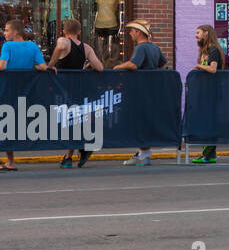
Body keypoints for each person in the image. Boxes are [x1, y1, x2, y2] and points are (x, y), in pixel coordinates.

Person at [50, 20, 104, 168]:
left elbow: (60, 46)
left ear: (63, 31)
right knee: (73, 121)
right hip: (79, 88)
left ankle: (70, 156)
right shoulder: (86, 47)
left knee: (67, 121)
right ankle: (76, 152)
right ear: (79, 32)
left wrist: (50, 65)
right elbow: (99, 67)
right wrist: (88, 65)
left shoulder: (64, 41)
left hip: (62, 88)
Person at [114, 19, 166, 166]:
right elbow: (163, 64)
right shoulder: (155, 47)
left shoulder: (141, 48)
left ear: (138, 32)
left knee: (138, 121)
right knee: (144, 120)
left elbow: (133, 65)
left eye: (131, 31)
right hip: (151, 90)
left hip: (140, 90)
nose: (130, 33)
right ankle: (143, 152)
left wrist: (118, 67)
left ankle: (144, 154)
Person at [0, 19, 49, 171]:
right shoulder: (32, 46)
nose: (4, 33)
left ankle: (11, 160)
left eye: (7, 30)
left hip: (6, 89)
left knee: (5, 125)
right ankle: (10, 161)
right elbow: (42, 67)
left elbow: (2, 66)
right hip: (24, 92)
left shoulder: (8, 45)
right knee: (12, 125)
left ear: (15, 32)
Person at [190, 25, 226, 164]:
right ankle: (209, 154)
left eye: (198, 32)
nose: (196, 35)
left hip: (213, 92)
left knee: (210, 123)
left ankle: (209, 154)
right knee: (206, 123)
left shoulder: (213, 49)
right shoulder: (205, 50)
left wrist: (199, 66)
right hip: (206, 92)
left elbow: (213, 69)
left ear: (206, 33)